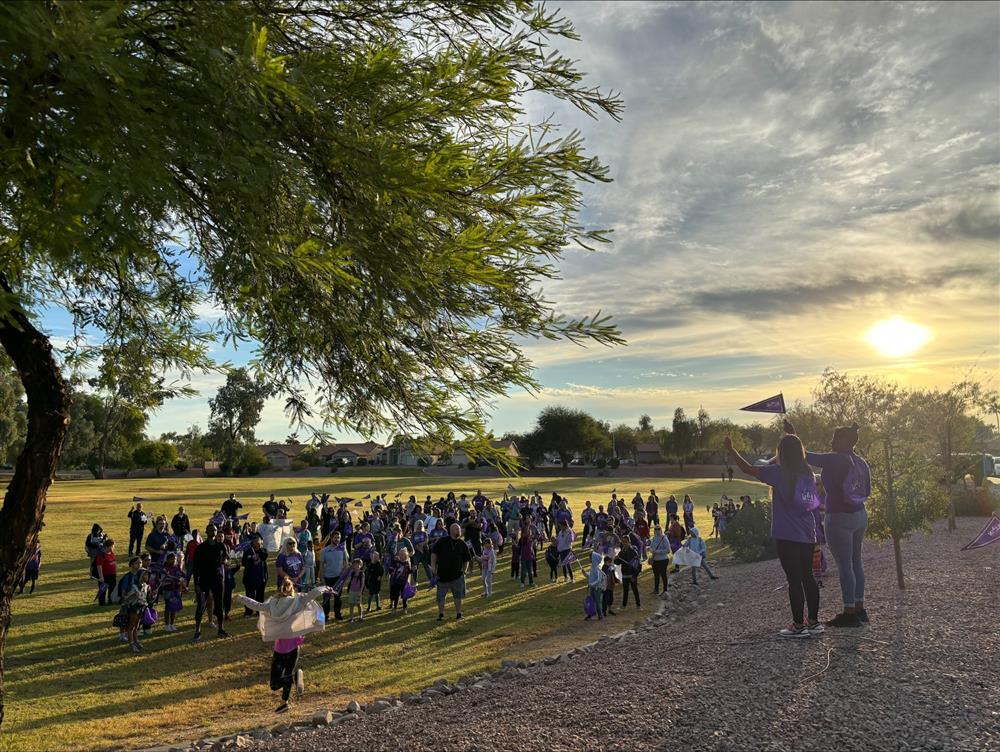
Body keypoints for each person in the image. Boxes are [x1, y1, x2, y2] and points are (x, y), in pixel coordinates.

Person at [725, 434, 821, 638]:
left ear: (782, 453)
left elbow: (747, 469)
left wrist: (732, 451)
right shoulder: (808, 473)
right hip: (807, 531)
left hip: (787, 534)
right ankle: (813, 622)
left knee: (794, 579)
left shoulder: (778, 473)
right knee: (808, 576)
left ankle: (798, 625)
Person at [801, 422, 871, 628]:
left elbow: (804, 454)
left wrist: (791, 433)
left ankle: (848, 612)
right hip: (859, 514)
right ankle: (859, 608)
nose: (831, 441)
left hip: (839, 517)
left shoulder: (835, 459)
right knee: (856, 561)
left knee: (844, 565)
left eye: (835, 438)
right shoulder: (861, 462)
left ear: (843, 441)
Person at [237, 579, 332, 714]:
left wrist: (241, 598)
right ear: (292, 588)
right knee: (288, 674)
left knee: (275, 684)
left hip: (281, 649)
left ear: (279, 590)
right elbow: (314, 593)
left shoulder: (273, 605)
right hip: (294, 646)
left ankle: (288, 693)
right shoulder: (299, 600)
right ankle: (285, 701)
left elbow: (256, 605)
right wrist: (326, 588)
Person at [192, 523, 229, 642]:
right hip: (204, 579)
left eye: (214, 529)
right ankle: (197, 631)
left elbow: (227, 558)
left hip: (218, 578)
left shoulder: (221, 545)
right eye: (210, 529)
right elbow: (196, 566)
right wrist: (196, 583)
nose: (213, 531)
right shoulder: (201, 547)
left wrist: (225, 560)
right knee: (201, 604)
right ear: (206, 531)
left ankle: (221, 628)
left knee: (219, 603)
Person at [431, 523, 472, 621]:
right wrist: (433, 567)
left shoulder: (462, 544)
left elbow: (467, 559)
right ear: (451, 530)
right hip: (442, 575)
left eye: (459, 529)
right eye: (457, 529)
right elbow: (434, 554)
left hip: (457, 575)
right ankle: (441, 615)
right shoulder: (442, 541)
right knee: (441, 597)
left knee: (458, 596)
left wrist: (464, 571)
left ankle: (458, 614)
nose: (459, 531)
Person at [121, 567, 151, 653]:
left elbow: (149, 598)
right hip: (134, 607)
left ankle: (136, 641)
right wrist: (134, 594)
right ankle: (131, 644)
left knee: (136, 626)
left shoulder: (146, 586)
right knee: (131, 626)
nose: (147, 576)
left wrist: (153, 594)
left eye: (147, 574)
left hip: (141, 608)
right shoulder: (134, 586)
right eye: (145, 574)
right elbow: (126, 597)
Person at [320, 532, 348, 620]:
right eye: (335, 537)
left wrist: (344, 577)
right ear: (331, 538)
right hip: (327, 578)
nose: (337, 539)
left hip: (338, 578)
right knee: (326, 599)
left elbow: (346, 563)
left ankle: (337, 614)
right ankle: (326, 616)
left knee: (338, 598)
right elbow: (321, 566)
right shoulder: (324, 550)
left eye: (338, 537)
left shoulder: (342, 549)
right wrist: (322, 579)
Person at [242, 535, 269, 616]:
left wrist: (257, 555)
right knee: (250, 596)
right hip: (250, 578)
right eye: (256, 541)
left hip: (261, 578)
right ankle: (248, 612)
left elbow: (264, 556)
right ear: (252, 542)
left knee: (260, 596)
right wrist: (251, 559)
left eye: (259, 541)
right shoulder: (247, 552)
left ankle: (259, 611)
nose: (258, 543)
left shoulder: (263, 550)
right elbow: (244, 563)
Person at [615, 537, 642, 610]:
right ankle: (624, 605)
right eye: (623, 542)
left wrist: (634, 575)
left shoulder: (633, 552)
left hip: (632, 574)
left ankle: (638, 605)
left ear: (629, 542)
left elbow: (638, 565)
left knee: (635, 590)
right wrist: (616, 558)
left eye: (626, 542)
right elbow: (617, 563)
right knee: (625, 590)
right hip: (624, 574)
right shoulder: (622, 551)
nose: (624, 543)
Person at [388, 549, 412, 613]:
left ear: (406, 556)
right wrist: (390, 569)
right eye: (400, 554)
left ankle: (405, 608)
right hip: (396, 582)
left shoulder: (407, 563)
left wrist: (413, 569)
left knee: (404, 596)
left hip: (403, 582)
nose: (401, 556)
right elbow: (391, 568)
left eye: (403, 555)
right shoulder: (396, 562)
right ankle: (395, 608)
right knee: (396, 595)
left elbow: (409, 571)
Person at [649, 525, 671, 594]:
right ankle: (656, 590)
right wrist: (651, 550)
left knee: (663, 575)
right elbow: (651, 547)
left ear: (661, 530)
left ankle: (665, 590)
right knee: (656, 576)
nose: (657, 530)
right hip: (655, 560)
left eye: (658, 529)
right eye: (655, 529)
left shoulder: (664, 538)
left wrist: (658, 552)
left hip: (663, 560)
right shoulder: (654, 538)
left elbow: (668, 550)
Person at [95, 539, 118, 606]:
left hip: (112, 575)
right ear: (107, 546)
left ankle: (110, 601)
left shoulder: (112, 553)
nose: (113, 547)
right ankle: (102, 603)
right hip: (105, 575)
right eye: (112, 546)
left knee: (112, 589)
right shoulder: (101, 555)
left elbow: (114, 562)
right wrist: (101, 577)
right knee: (103, 590)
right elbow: (99, 566)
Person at [586, 549, 605, 621]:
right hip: (593, 587)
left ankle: (600, 615)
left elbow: (599, 579)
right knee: (592, 601)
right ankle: (590, 614)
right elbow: (591, 576)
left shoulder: (597, 568)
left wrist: (592, 584)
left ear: (593, 558)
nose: (589, 559)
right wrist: (585, 574)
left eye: (590, 558)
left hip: (597, 588)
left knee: (597, 601)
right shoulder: (592, 567)